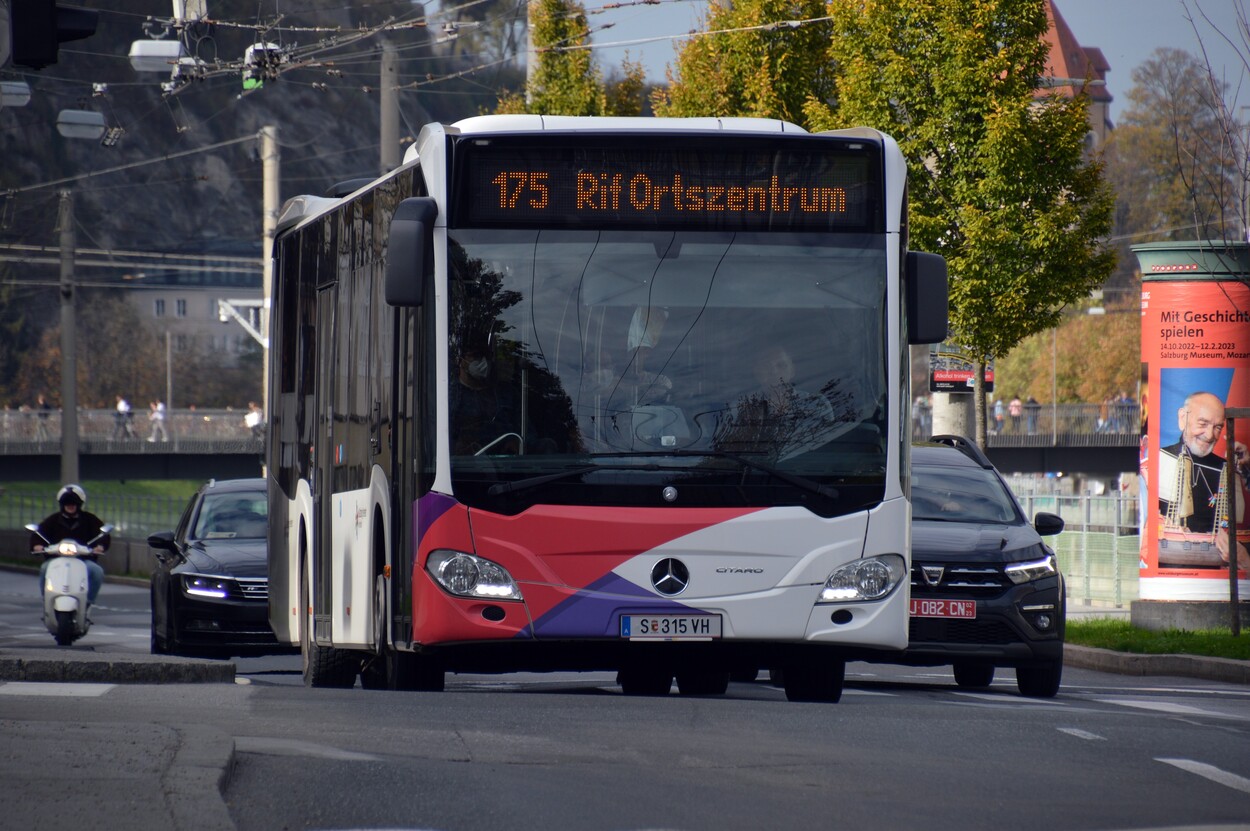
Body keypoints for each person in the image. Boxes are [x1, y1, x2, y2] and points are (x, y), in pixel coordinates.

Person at [1158, 391, 1249, 569]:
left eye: (1217, 427)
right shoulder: (1160, 459)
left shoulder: (1228, 468)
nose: (1209, 435)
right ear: (1183, 418)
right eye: (1203, 424)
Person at [714, 344, 835, 458]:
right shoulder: (739, 408)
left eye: (781, 365)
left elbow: (827, 450)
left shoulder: (816, 404)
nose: (774, 372)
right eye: (766, 366)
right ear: (756, 372)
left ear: (792, 370)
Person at [30, 484, 110, 607]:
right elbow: (38, 534)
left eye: (74, 503)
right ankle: (47, 600)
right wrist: (37, 545)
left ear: (79, 504)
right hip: (56, 559)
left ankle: (88, 602)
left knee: (97, 571)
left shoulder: (90, 519)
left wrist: (100, 546)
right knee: (45, 569)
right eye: (67, 503)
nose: (70, 506)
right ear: (62, 505)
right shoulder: (53, 520)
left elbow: (103, 535)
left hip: (83, 560)